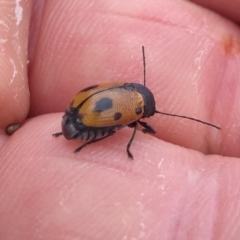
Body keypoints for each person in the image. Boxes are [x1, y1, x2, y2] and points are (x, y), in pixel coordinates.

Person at [0, 1, 239, 239]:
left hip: (76, 110)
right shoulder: (133, 109)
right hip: (81, 119)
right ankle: (89, 144)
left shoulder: (128, 90)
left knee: (116, 127)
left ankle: (76, 137)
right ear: (143, 111)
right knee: (116, 130)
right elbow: (129, 126)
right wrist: (118, 146)